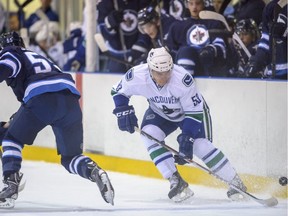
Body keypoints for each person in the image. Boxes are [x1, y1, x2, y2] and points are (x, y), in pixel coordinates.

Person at [111, 47, 247, 202]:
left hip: (189, 115)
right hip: (160, 113)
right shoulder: (137, 75)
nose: (164, 77)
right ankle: (175, 180)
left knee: (199, 145)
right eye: (159, 74)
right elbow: (117, 91)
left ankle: (235, 181)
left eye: (167, 72)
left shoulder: (183, 79)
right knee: (149, 133)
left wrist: (187, 139)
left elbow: (194, 112)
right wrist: (123, 110)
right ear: (150, 69)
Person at [0, 31, 114, 208]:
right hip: (70, 99)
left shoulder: (11, 53)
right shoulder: (36, 56)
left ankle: (11, 185)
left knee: (12, 140)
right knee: (70, 158)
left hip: (41, 99)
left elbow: (7, 66)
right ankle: (93, 171)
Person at [166, 0, 228, 77]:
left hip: (208, 69)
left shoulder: (214, 24)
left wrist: (210, 51)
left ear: (204, 3)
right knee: (186, 52)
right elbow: (170, 50)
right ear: (187, 5)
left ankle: (184, 83)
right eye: (191, 4)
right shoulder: (177, 27)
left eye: (198, 3)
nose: (194, 7)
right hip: (182, 64)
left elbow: (221, 47)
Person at [245, 0, 287, 79]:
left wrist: (284, 34)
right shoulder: (270, 8)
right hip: (274, 74)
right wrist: (257, 61)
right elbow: (265, 40)